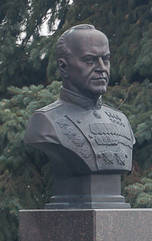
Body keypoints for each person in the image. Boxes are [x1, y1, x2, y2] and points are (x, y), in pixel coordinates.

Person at [24, 23, 135, 176]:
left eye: (106, 59)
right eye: (90, 60)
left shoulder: (120, 120)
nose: (101, 68)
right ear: (63, 67)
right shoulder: (45, 121)